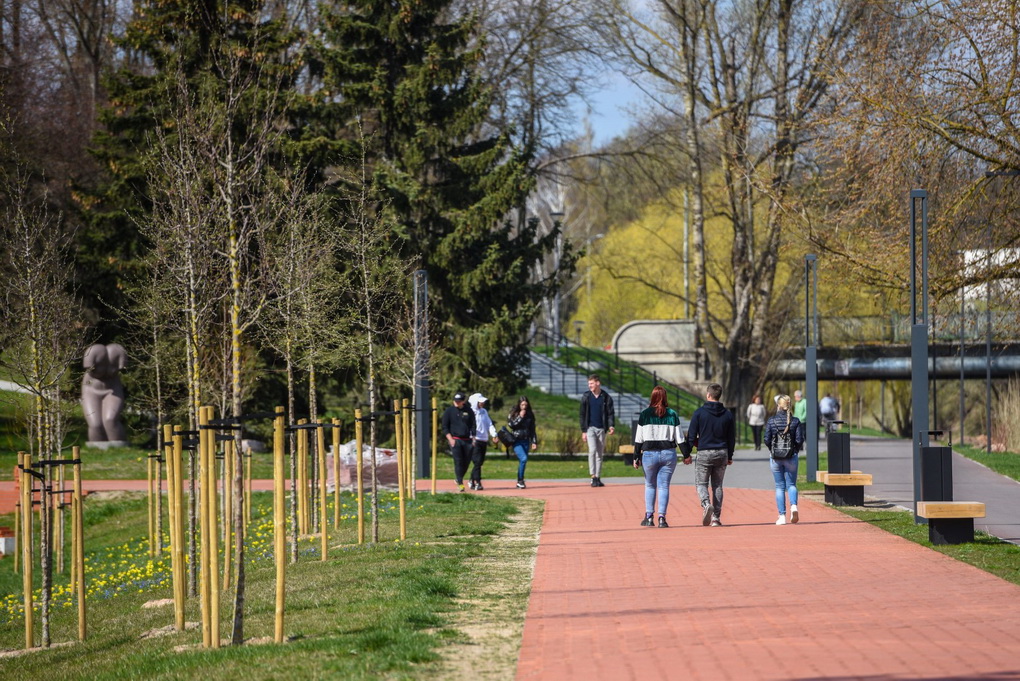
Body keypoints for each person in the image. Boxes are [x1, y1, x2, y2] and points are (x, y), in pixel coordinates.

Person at [632, 385, 690, 528]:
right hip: (668, 454)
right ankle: (662, 518)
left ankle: (649, 516)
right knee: (664, 486)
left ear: (652, 397)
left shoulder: (645, 414)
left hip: (649, 454)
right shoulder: (672, 414)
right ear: (665, 397)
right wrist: (686, 455)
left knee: (650, 485)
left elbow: (638, 439)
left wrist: (636, 457)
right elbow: (680, 438)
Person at [686, 383, 735, 527]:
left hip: (704, 452)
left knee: (701, 483)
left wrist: (687, 453)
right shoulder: (727, 414)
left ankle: (706, 503)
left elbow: (691, 435)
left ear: (708, 395)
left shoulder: (699, 413)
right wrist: (730, 455)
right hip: (721, 452)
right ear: (719, 396)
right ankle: (716, 518)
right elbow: (731, 437)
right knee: (718, 486)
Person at [764, 394, 805, 525]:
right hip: (791, 456)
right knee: (791, 484)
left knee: (779, 487)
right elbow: (799, 439)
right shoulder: (795, 421)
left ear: (778, 406)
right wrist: (795, 451)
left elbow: (766, 439)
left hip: (776, 458)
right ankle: (794, 506)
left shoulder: (771, 421)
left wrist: (772, 450)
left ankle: (782, 516)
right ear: (789, 405)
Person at [579, 374, 616, 487]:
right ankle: (592, 476)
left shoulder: (606, 397)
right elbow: (582, 414)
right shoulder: (586, 397)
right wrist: (583, 431)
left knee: (600, 454)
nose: (590, 386)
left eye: (591, 383)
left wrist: (611, 426)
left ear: (598, 383)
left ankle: (598, 477)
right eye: (589, 384)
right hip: (590, 428)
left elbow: (610, 413)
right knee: (592, 451)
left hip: (601, 429)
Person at [441, 392, 476, 492]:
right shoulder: (449, 411)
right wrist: (450, 439)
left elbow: (473, 425)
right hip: (455, 440)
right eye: (455, 401)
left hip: (468, 440)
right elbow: (445, 427)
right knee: (458, 461)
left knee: (467, 462)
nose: (457, 403)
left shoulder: (469, 411)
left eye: (459, 401)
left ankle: (458, 477)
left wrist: (473, 438)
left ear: (463, 401)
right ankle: (460, 483)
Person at [468, 393, 497, 491]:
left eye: (483, 402)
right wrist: (472, 438)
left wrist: (494, 434)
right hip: (475, 440)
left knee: (479, 463)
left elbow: (489, 424)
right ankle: (478, 482)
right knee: (477, 461)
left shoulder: (484, 411)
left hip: (484, 440)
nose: (482, 403)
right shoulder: (471, 412)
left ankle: (471, 480)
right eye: (480, 402)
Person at [507, 396, 538, 489]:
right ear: (519, 405)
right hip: (516, 440)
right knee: (523, 459)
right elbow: (512, 425)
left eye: (526, 405)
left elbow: (532, 429)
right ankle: (520, 480)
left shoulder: (530, 415)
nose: (524, 407)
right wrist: (520, 416)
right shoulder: (513, 413)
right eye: (522, 405)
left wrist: (534, 441)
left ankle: (520, 480)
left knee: (523, 461)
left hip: (526, 440)